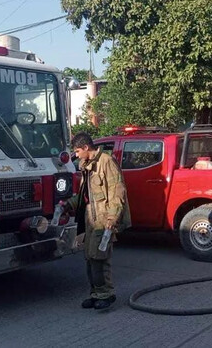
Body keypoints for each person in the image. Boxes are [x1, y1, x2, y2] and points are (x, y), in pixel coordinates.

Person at [66, 133, 131, 310]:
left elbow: (117, 192)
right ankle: (95, 294)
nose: (76, 155)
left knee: (99, 258)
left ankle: (106, 294)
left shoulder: (106, 162)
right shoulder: (87, 166)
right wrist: (68, 204)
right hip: (90, 220)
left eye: (78, 151)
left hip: (103, 220)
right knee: (89, 258)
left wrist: (112, 218)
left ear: (86, 148)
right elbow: (84, 195)